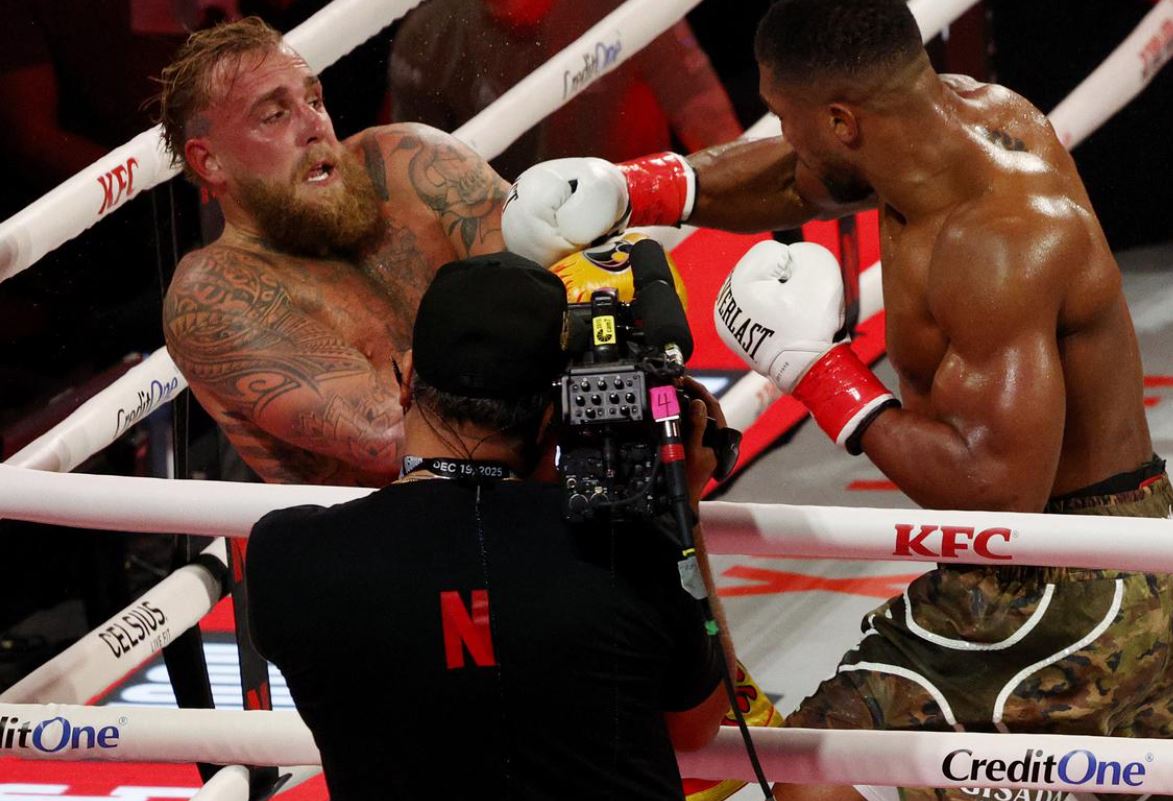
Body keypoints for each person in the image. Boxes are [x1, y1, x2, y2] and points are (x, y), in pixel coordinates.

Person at [500, 1, 1173, 800]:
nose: (782, 136)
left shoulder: (999, 244)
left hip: (1062, 575)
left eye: (785, 117)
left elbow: (997, 493)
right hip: (1105, 546)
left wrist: (817, 370)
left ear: (842, 120)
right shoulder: (963, 120)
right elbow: (801, 176)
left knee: (810, 774)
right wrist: (629, 189)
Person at [246, 252, 735, 800]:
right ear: (558, 411)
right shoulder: (630, 545)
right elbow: (698, 725)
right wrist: (681, 511)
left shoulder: (284, 557)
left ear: (407, 380)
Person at [157, 16, 510, 486]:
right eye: (274, 115)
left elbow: (557, 276)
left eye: (314, 100)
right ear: (210, 161)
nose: (314, 126)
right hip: (407, 524)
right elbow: (395, 439)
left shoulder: (409, 163)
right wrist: (518, 333)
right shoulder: (215, 295)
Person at [387, 0, 744, 181]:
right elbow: (410, 177)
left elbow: (714, 129)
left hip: (634, 230)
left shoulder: (623, 8)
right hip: (508, 250)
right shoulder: (428, 36)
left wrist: (757, 229)